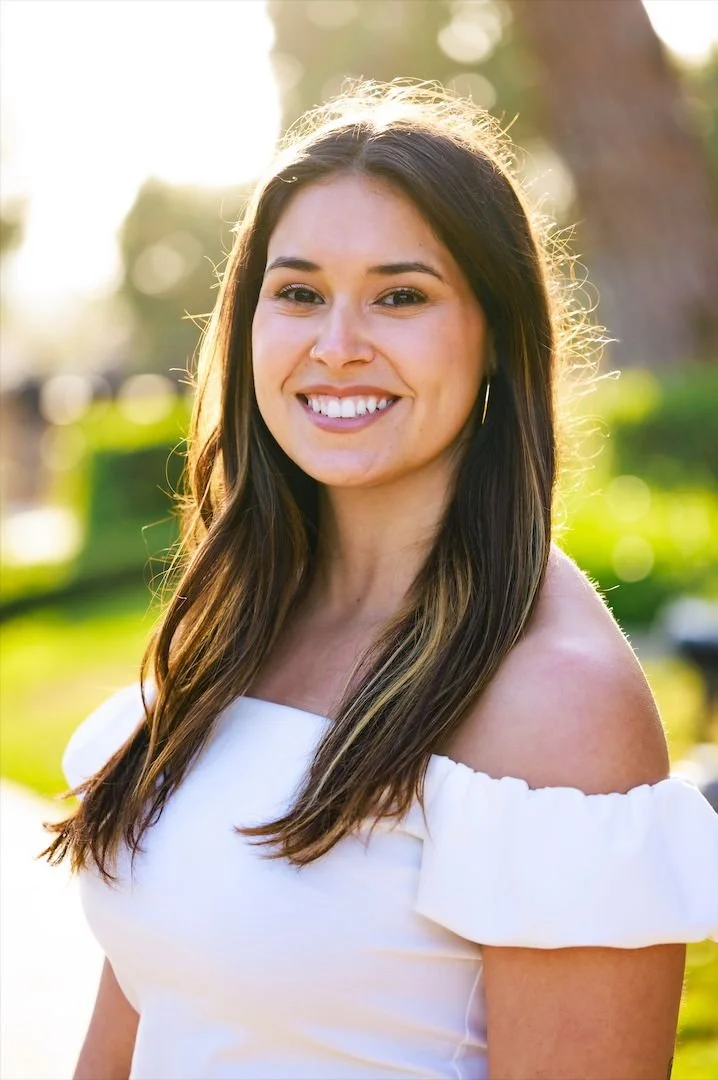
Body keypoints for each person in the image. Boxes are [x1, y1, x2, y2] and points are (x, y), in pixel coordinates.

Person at [44, 81, 718, 1080]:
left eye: (400, 295)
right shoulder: (238, 620)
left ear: (494, 334)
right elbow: (142, 1014)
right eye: (299, 292)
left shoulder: (553, 702)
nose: (336, 345)